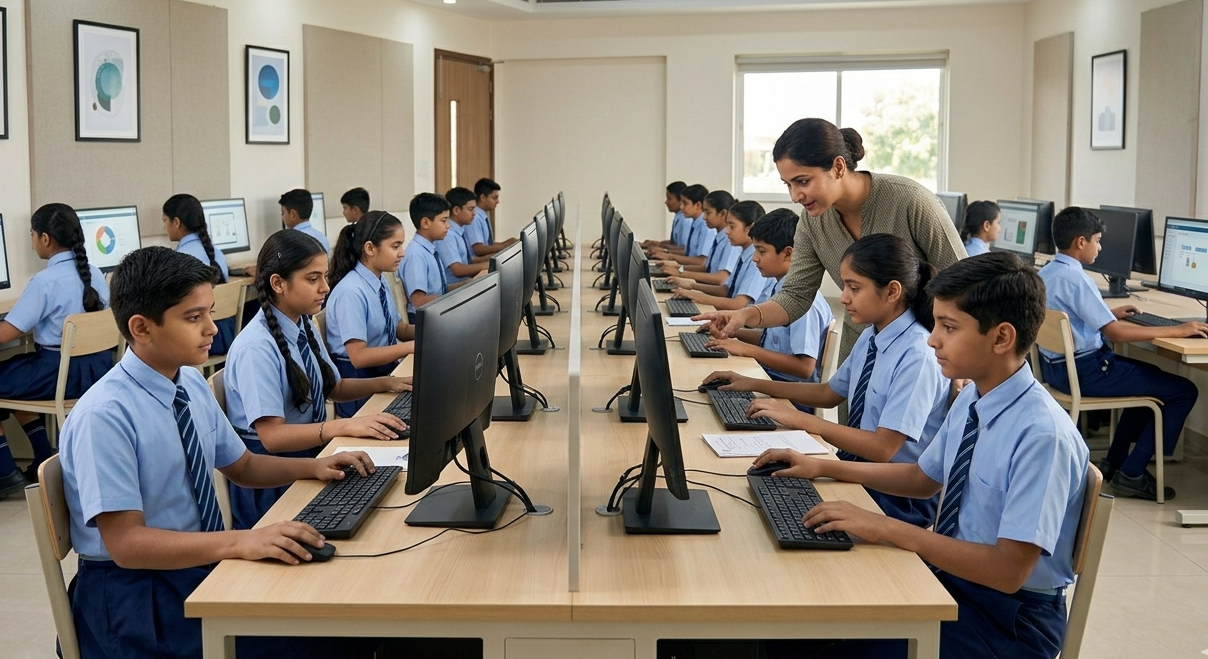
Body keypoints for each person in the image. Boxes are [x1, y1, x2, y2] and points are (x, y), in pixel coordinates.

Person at [756, 252, 1088, 659]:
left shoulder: (1041, 436)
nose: (932, 339)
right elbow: (922, 478)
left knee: (830, 645)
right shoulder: (974, 398)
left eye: (949, 328)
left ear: (1002, 338)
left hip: (1008, 620)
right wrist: (822, 466)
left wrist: (887, 528)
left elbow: (1007, 571)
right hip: (954, 581)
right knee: (802, 621)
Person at [59, 246, 377, 659]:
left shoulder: (188, 383)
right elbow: (127, 544)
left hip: (192, 562)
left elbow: (242, 465)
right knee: (320, 638)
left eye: (210, 312)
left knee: (340, 613)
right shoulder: (104, 416)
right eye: (194, 318)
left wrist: (317, 466)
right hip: (136, 596)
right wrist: (241, 542)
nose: (213, 328)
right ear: (142, 328)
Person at [709, 234, 948, 527]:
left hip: (895, 497)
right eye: (844, 285)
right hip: (856, 469)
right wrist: (753, 383)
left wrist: (801, 420)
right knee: (755, 503)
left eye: (854, 288)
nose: (844, 297)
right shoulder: (874, 335)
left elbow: (883, 449)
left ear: (892, 292)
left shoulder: (917, 355)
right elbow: (830, 393)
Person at [695, 119, 966, 368]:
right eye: (788, 184)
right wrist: (744, 316)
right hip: (862, 344)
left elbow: (966, 286)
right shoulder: (813, 222)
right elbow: (795, 296)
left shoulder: (910, 201)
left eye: (802, 181)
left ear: (838, 167)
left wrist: (961, 360)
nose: (794, 196)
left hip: (926, 352)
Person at [223, 230, 410, 530]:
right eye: (313, 279)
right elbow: (272, 437)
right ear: (278, 283)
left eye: (324, 276)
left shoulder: (302, 323)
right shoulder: (257, 347)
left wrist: (387, 384)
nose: (325, 287)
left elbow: (334, 387)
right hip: (274, 479)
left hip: (310, 456)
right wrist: (343, 425)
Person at [1038, 206, 1206, 500]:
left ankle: (1115, 463)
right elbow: (1114, 333)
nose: (1100, 247)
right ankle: (1133, 472)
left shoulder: (1048, 273)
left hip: (1059, 371)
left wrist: (1107, 313)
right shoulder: (1079, 279)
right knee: (1183, 390)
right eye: (1098, 240)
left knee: (1150, 377)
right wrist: (1175, 331)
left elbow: (1079, 315)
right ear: (1081, 242)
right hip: (1087, 372)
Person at [0, 204, 112, 496]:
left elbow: (8, 332)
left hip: (59, 374)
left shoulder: (45, 282)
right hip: (97, 372)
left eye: (33, 235)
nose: (32, 240)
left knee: (11, 375)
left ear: (45, 239)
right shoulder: (96, 274)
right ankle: (41, 457)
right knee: (16, 372)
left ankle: (4, 471)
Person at [703, 208, 832, 389]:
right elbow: (773, 343)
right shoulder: (780, 286)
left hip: (790, 394)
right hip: (767, 377)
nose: (755, 258)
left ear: (788, 253)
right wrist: (732, 332)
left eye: (761, 251)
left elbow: (805, 368)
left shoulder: (803, 303)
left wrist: (745, 349)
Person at [326, 211, 417, 417]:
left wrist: (433, 331)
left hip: (383, 372)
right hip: (360, 384)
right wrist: (411, 347)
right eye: (395, 246)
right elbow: (358, 357)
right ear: (370, 248)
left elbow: (397, 328)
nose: (402, 252)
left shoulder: (379, 280)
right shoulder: (351, 291)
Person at [162, 193, 236, 356]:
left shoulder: (179, 259)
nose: (164, 227)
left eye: (164, 221)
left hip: (200, 337)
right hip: (225, 332)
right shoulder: (217, 253)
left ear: (176, 222)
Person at [665, 199, 771, 311]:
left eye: (732, 226)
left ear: (750, 229)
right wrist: (692, 286)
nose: (727, 232)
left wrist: (699, 296)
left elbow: (738, 304)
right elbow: (727, 290)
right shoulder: (744, 252)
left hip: (746, 323)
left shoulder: (756, 260)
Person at [654, 189, 738, 276]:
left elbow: (719, 278)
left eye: (708, 212)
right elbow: (706, 267)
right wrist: (678, 268)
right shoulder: (719, 236)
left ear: (723, 214)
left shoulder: (729, 240)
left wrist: (680, 271)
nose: (704, 217)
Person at [399, 192, 452, 322]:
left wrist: (470, 283)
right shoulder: (416, 255)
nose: (448, 226)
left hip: (436, 312)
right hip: (423, 319)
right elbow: (419, 301)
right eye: (443, 220)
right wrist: (454, 300)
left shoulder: (430, 249)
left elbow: (441, 289)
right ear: (426, 223)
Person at [438, 186, 490, 285]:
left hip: (464, 284)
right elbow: (458, 270)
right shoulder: (448, 234)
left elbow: (469, 261)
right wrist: (488, 265)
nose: (474, 214)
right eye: (470, 209)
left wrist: (493, 260)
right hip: (455, 290)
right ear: (456, 210)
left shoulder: (460, 230)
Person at [466, 178, 517, 258]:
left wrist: (508, 244)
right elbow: (478, 249)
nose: (497, 201)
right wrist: (504, 245)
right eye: (494, 198)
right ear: (483, 197)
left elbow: (488, 244)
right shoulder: (474, 217)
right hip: (478, 262)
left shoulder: (484, 214)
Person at [641, 181, 690, 252]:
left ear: (680, 200)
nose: (666, 202)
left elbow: (684, 249)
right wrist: (659, 244)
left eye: (669, 199)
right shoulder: (678, 216)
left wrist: (663, 249)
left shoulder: (686, 220)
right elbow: (675, 243)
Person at [280, 188, 331, 254]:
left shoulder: (289, 242)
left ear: (293, 214)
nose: (282, 217)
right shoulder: (323, 238)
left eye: (283, 213)